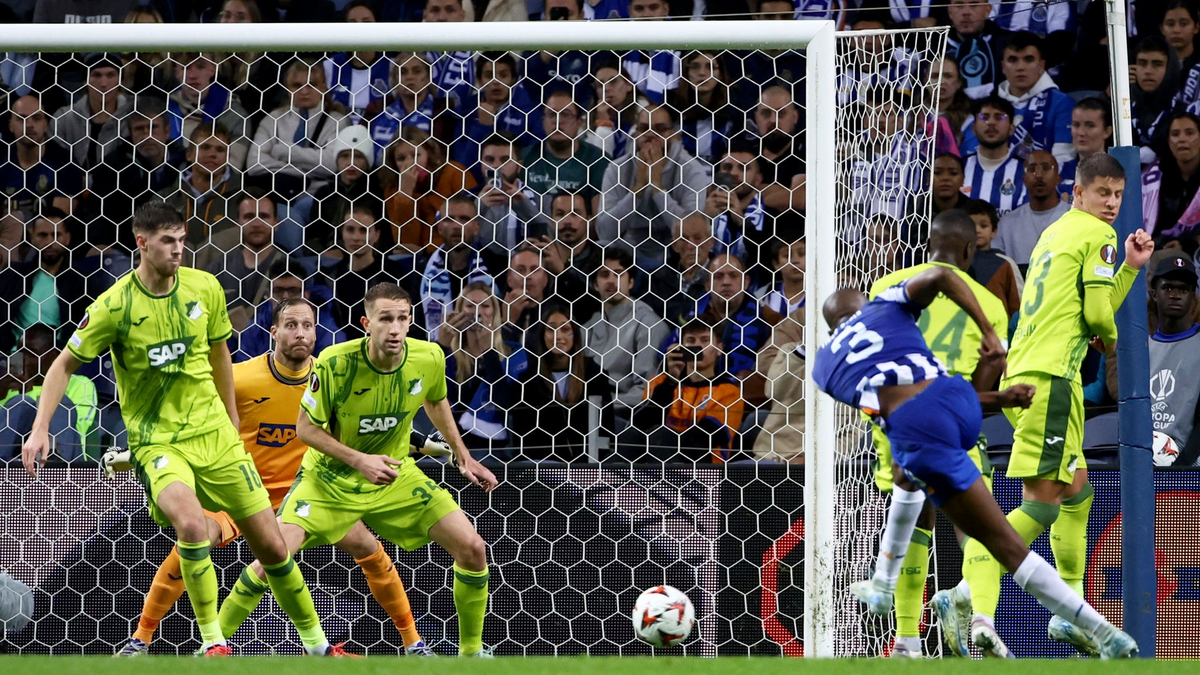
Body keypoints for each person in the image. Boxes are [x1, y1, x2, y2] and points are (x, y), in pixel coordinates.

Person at [21, 201, 337, 657]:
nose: (177, 249)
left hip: (216, 437)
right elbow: (63, 365)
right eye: (167, 241)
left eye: (182, 240)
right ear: (142, 243)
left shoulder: (204, 287)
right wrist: (40, 427)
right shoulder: (114, 305)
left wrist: (230, 417)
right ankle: (212, 643)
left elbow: (220, 353)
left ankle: (319, 648)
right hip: (159, 441)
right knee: (191, 526)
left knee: (272, 548)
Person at [813, 261, 1137, 661]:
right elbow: (941, 275)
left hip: (918, 424)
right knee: (909, 476)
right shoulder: (884, 306)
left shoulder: (824, 364)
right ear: (863, 305)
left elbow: (892, 404)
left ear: (832, 328)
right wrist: (990, 337)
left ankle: (1101, 632)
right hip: (959, 400)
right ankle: (887, 595)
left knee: (993, 535)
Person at [119, 297, 434, 657]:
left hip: (305, 495)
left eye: (308, 326)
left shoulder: (332, 378)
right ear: (274, 332)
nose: (301, 333)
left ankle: (413, 643)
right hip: (239, 491)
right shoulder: (240, 379)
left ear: (316, 332)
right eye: (291, 325)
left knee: (368, 547)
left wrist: (425, 444)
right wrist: (133, 453)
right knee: (192, 542)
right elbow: (190, 420)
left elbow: (369, 426)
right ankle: (141, 640)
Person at [216, 283, 498, 657]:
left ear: (411, 320)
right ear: (367, 323)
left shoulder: (429, 356)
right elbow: (305, 429)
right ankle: (211, 645)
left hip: (394, 475)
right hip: (329, 479)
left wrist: (463, 455)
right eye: (385, 319)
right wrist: (360, 460)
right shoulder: (336, 362)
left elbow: (435, 400)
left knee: (473, 548)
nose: (394, 329)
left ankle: (471, 654)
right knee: (272, 557)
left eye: (401, 319)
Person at [958, 154, 1155, 656]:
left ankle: (1071, 611)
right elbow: (1098, 313)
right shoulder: (1099, 234)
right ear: (1078, 193)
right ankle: (965, 590)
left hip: (1025, 373)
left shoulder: (1055, 233)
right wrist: (1110, 337)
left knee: (1078, 492)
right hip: (1052, 379)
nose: (1112, 203)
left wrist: (1130, 268)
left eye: (1118, 194)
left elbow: (1082, 303)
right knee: (1041, 505)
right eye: (1102, 193)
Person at [854, 210, 1017, 658]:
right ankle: (983, 619)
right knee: (978, 526)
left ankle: (906, 640)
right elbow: (985, 384)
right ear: (970, 250)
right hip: (949, 419)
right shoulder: (990, 304)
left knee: (915, 520)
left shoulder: (887, 286)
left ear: (927, 246)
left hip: (896, 421)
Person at [597, 101, 708, 268]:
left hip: (674, 252)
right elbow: (604, 232)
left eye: (660, 129)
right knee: (602, 247)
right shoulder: (617, 168)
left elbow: (691, 231)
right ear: (635, 133)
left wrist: (657, 188)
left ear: (673, 134)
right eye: (644, 128)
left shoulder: (692, 170)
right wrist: (637, 190)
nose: (650, 134)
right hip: (627, 253)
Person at [437, 282, 528, 459]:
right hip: (452, 449)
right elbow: (428, 391)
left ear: (495, 312)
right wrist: (441, 345)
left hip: (495, 451)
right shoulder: (450, 356)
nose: (477, 311)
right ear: (458, 312)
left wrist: (489, 354)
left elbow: (506, 405)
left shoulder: (511, 354)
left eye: (485, 306)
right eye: (470, 306)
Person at [634, 319, 744, 464]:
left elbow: (705, 438)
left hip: (705, 467)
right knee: (632, 436)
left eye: (705, 340)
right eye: (691, 340)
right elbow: (640, 425)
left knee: (663, 435)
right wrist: (671, 381)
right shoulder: (659, 382)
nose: (697, 346)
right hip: (655, 456)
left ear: (719, 349)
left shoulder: (729, 392)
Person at [960, 32, 1075, 166]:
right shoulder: (986, 103)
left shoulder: (1061, 103)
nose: (1020, 67)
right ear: (1003, 67)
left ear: (1041, 66)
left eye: (1029, 59)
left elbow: (1063, 161)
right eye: (1013, 60)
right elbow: (969, 153)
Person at [514, 305, 609, 462]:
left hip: (586, 467)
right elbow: (522, 436)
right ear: (542, 335)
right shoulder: (529, 380)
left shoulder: (594, 375)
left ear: (575, 335)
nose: (558, 336)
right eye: (551, 329)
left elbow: (606, 429)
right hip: (543, 467)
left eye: (565, 329)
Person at [582, 247, 670, 414]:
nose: (611, 280)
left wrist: (601, 406)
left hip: (627, 415)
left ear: (631, 282)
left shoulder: (649, 324)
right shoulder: (587, 328)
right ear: (595, 284)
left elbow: (647, 389)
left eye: (618, 274)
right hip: (588, 411)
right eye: (604, 275)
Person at [246, 57, 347, 200]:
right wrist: (304, 172)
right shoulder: (273, 119)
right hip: (278, 194)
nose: (304, 91)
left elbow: (333, 164)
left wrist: (283, 152)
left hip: (318, 196)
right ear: (288, 89)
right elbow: (254, 164)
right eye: (297, 85)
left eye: (311, 85)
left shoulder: (338, 122)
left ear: (323, 87)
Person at [0, 324, 98, 462]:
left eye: (32, 354)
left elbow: (79, 429)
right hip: (13, 458)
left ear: (54, 356)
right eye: (20, 352)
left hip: (65, 457)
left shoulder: (79, 384)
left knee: (59, 402)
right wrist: (5, 393)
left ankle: (55, 466)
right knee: (21, 403)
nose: (24, 359)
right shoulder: (9, 386)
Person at [0, 210, 87, 354]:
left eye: (56, 235)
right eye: (42, 235)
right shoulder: (13, 276)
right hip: (15, 357)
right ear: (32, 237)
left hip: (58, 357)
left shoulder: (80, 281)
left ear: (67, 238)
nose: (49, 242)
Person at [157, 123, 244, 266]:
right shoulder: (164, 199)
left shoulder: (242, 200)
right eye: (205, 147)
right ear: (189, 154)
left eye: (220, 149)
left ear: (227, 157)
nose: (212, 154)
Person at [236, 257, 345, 362]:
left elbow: (331, 370)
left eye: (293, 290)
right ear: (269, 295)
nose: (285, 296)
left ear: (306, 295)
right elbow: (243, 367)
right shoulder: (256, 328)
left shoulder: (328, 332)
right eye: (278, 290)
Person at [1146, 255, 1200, 466]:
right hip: (1146, 459)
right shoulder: (1142, 349)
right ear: (1154, 294)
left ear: (1193, 297)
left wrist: (1181, 468)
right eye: (1168, 288)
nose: (1175, 295)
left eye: (1183, 289)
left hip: (1191, 462)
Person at [419, 194, 495, 342]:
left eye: (464, 219)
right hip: (437, 350)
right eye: (449, 219)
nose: (456, 226)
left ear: (476, 228)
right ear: (439, 227)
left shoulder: (495, 266)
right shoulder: (422, 270)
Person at [522, 89, 608, 216]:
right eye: (552, 114)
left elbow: (600, 219)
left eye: (565, 115)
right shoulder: (525, 157)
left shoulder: (598, 161)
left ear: (579, 122)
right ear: (543, 121)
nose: (558, 120)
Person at [166, 52, 252, 171]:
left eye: (201, 67)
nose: (192, 75)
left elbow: (232, 168)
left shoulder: (235, 115)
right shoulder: (165, 110)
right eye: (185, 68)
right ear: (177, 73)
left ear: (213, 69)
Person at [0, 94, 83, 216]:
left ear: (46, 125)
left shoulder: (65, 163)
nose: (29, 125)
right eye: (21, 119)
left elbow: (59, 220)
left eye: (37, 118)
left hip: (44, 228)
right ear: (10, 126)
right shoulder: (2, 159)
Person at [52, 52, 132, 170]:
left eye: (110, 75)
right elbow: (54, 162)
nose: (103, 84)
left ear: (120, 81)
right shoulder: (63, 118)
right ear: (85, 81)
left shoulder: (134, 115)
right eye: (96, 75)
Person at [995, 149, 1070, 269]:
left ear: (1058, 179)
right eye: (1032, 169)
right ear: (1024, 180)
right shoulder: (1007, 223)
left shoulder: (1074, 217)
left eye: (1046, 168)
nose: (1039, 175)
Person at [962, 96, 1028, 217]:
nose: (991, 123)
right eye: (984, 117)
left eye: (999, 117)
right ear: (974, 129)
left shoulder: (1026, 171)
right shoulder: (960, 168)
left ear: (1011, 129)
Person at [648, 212, 716, 326]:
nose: (691, 245)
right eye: (683, 239)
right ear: (674, 245)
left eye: (697, 238)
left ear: (710, 242)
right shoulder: (656, 279)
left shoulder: (721, 277)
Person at [965, 199, 1023, 317]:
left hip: (998, 326)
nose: (977, 230)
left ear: (994, 231)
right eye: (971, 225)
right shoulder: (956, 261)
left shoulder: (1006, 263)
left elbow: (1019, 303)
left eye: (983, 226)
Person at [945, 0, 1011, 92]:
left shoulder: (1009, 43)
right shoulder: (932, 45)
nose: (966, 12)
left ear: (987, 11)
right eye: (959, 5)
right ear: (950, 12)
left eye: (974, 5)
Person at [1058, 98, 1113, 201]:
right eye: (1076, 125)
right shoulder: (1059, 172)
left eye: (1090, 126)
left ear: (1107, 131)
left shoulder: (1118, 173)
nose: (1081, 132)